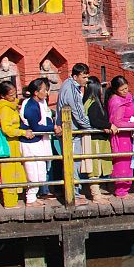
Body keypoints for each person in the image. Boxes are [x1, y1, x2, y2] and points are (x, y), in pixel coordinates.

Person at [0, 82, 30, 208]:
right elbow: (6, 129)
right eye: (11, 95)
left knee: (14, 170)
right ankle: (9, 202)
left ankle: (13, 199)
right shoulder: (4, 109)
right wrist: (23, 132)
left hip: (14, 142)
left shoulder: (10, 105)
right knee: (8, 173)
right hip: (8, 143)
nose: (14, 97)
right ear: (3, 96)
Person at [19, 78, 59, 205]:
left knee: (40, 169)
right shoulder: (31, 106)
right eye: (44, 90)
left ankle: (34, 196)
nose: (47, 93)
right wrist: (53, 128)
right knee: (32, 170)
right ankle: (30, 198)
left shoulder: (40, 103)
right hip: (30, 143)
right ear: (36, 92)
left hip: (38, 142)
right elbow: (35, 127)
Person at [108, 76, 134, 198]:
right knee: (122, 163)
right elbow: (118, 122)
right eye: (122, 90)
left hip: (128, 134)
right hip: (121, 136)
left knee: (128, 161)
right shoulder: (116, 101)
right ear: (116, 90)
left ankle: (126, 188)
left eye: (126, 88)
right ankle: (121, 190)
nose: (125, 91)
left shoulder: (128, 98)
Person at [58, 63, 92, 202]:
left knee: (71, 162)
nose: (86, 80)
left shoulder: (67, 84)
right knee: (73, 163)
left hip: (70, 130)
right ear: (75, 76)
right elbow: (78, 112)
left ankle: (74, 192)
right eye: (84, 77)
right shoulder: (71, 89)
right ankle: (74, 195)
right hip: (71, 132)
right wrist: (90, 126)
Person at [82, 76, 114, 202]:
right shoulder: (93, 103)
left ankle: (97, 192)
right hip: (95, 140)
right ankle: (96, 195)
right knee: (95, 166)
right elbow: (95, 120)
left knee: (97, 165)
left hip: (98, 138)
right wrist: (108, 125)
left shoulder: (88, 101)